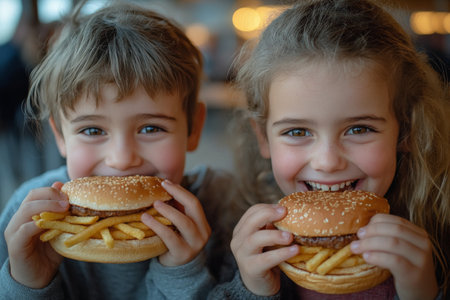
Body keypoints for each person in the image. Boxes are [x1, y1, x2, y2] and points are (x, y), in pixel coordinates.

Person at [0, 2, 240, 299]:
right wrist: (27, 284)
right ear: (60, 136)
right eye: (92, 130)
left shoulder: (225, 205)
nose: (122, 159)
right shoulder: (29, 219)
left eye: (151, 128)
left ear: (193, 128)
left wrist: (183, 273)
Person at [213, 0, 450, 299]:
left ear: (405, 131)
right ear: (263, 138)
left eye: (359, 129)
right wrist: (251, 289)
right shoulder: (245, 240)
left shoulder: (440, 237)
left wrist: (423, 293)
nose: (327, 162)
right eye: (297, 132)